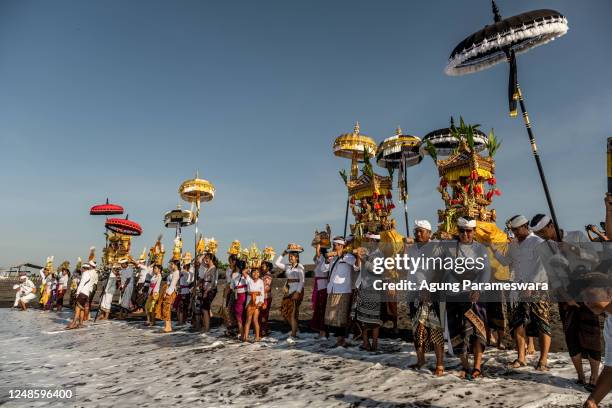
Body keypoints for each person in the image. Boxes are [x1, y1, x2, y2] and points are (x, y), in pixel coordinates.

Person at [531, 213, 601, 389]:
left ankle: (594, 376)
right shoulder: (543, 249)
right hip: (565, 294)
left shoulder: (576, 235)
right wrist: (565, 295)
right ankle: (580, 376)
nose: (540, 236)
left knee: (591, 333)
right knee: (571, 334)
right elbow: (552, 275)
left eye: (542, 232)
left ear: (551, 225)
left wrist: (573, 250)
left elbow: (595, 259)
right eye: (537, 233)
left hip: (587, 289)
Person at [492, 214, 551, 371]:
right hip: (518, 288)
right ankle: (521, 357)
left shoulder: (538, 242)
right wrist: (494, 251)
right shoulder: (514, 245)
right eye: (513, 230)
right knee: (518, 323)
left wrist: (531, 285)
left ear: (525, 227)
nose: (515, 233)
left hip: (538, 289)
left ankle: (543, 360)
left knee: (542, 323)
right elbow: (506, 262)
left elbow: (542, 267)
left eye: (516, 230)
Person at [444, 216, 491, 379]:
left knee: (477, 330)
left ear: (474, 231)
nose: (465, 234)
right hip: (454, 294)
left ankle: (477, 366)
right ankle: (465, 365)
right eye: (462, 231)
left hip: (474, 294)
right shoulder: (449, 248)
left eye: (469, 231)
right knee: (457, 331)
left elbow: (485, 271)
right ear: (458, 231)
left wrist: (478, 288)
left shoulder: (480, 249)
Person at [407, 220, 446, 376]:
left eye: (421, 231)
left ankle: (440, 364)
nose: (418, 234)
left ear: (429, 233)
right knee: (417, 328)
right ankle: (421, 360)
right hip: (413, 291)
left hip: (431, 292)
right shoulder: (412, 249)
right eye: (416, 231)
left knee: (435, 328)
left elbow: (439, 270)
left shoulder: (435, 246)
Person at [570, 270, 612, 408]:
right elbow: (611, 368)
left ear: (609, 292)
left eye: (590, 295)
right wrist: (592, 401)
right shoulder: (609, 324)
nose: (586, 302)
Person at [325, 237, 359, 347]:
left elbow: (357, 267)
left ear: (341, 246)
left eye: (336, 245)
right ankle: (339, 339)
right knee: (333, 316)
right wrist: (327, 260)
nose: (334, 246)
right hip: (332, 289)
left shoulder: (348, 256)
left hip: (343, 290)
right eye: (334, 244)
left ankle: (342, 339)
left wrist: (353, 255)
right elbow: (323, 269)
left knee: (342, 316)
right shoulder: (333, 258)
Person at [354, 232, 384, 352]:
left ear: (376, 242)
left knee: (374, 318)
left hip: (373, 288)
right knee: (363, 317)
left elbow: (376, 270)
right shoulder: (367, 253)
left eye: (371, 241)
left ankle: (375, 343)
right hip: (363, 287)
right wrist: (359, 257)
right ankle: (365, 342)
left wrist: (363, 259)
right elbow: (357, 268)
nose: (369, 243)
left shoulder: (379, 255)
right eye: (368, 240)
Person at [275, 244, 305, 339]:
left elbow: (302, 280)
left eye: (292, 256)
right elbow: (276, 263)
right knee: (285, 312)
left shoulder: (300, 267)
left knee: (293, 313)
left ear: (297, 257)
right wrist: (283, 253)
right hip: (288, 291)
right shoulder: (287, 267)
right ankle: (294, 328)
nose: (290, 258)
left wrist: (298, 292)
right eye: (289, 256)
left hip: (296, 290)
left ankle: (293, 334)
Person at [66, 259, 98, 329]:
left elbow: (81, 284)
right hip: (87, 294)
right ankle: (80, 323)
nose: (81, 270)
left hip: (82, 293)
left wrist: (77, 293)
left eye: (82, 268)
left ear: (84, 268)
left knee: (77, 309)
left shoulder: (85, 274)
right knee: (82, 309)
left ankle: (73, 323)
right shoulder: (93, 274)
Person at [311, 244, 330, 339]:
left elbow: (317, 255)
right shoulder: (321, 259)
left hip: (322, 286)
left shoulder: (323, 258)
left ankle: (323, 332)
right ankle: (322, 332)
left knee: (321, 310)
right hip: (320, 286)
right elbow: (315, 257)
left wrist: (318, 244)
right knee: (320, 310)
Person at [242, 266, 265, 341]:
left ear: (259, 274)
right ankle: (246, 336)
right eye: (254, 272)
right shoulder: (249, 280)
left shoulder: (261, 281)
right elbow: (243, 272)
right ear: (251, 273)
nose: (256, 273)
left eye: (257, 272)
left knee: (255, 319)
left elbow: (262, 293)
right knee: (248, 319)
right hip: (250, 301)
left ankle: (257, 337)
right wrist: (249, 266)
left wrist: (261, 302)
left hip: (257, 301)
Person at [198, 252, 219, 332]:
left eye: (207, 258)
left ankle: (207, 328)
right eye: (205, 258)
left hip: (210, 290)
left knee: (205, 309)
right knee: (204, 309)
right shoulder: (207, 267)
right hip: (206, 289)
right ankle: (206, 327)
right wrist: (204, 254)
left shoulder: (213, 268)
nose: (205, 260)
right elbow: (200, 261)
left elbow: (213, 282)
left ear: (211, 259)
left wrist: (207, 291)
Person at [230, 259, 249, 338]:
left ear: (237, 266)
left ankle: (242, 335)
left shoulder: (234, 275)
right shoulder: (248, 275)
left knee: (239, 318)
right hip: (248, 297)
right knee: (246, 317)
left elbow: (231, 287)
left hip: (239, 298)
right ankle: (246, 335)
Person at [161, 260, 181, 333]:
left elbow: (173, 284)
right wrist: (165, 291)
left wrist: (168, 293)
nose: (170, 266)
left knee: (167, 308)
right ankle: (167, 325)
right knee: (166, 308)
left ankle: (168, 326)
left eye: (172, 264)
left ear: (176, 265)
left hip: (172, 291)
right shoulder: (172, 273)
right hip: (168, 290)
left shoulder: (177, 273)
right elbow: (168, 283)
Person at [223, 254, 239, 335]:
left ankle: (234, 327)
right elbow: (227, 281)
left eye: (231, 261)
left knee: (231, 310)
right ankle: (230, 327)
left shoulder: (237, 271)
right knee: (227, 309)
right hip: (228, 290)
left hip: (234, 291)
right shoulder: (228, 269)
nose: (230, 263)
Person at [177, 253, 194, 326]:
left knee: (183, 307)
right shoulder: (183, 272)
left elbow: (189, 282)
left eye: (184, 264)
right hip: (182, 291)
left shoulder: (188, 273)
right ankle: (181, 321)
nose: (183, 265)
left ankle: (182, 321)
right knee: (181, 307)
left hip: (186, 291)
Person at [259, 259, 274, 337]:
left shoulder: (268, 276)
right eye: (261, 266)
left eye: (263, 266)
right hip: (263, 297)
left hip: (266, 297)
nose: (261, 267)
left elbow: (266, 288)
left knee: (263, 314)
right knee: (262, 314)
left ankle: (264, 330)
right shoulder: (262, 275)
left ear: (268, 267)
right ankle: (264, 329)